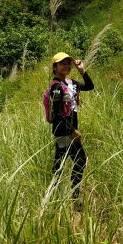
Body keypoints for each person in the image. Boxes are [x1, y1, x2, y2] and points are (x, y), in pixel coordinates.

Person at [48, 51, 94, 210]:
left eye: (68, 63)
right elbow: (58, 114)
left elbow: (89, 86)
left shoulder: (71, 83)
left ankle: (52, 198)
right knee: (79, 160)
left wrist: (82, 70)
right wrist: (72, 131)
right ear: (55, 67)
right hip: (63, 131)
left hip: (68, 130)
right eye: (62, 63)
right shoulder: (56, 87)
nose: (67, 66)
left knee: (60, 164)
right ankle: (75, 199)